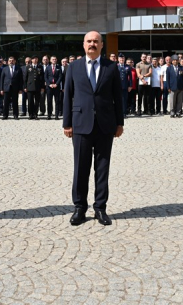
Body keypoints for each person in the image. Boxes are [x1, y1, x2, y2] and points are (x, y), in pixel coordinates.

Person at [63, 31, 124, 227]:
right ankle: (79, 208)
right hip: (80, 123)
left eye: (96, 41)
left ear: (102, 45)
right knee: (80, 168)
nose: (92, 44)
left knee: (102, 168)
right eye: (89, 41)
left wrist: (120, 123)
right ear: (83, 44)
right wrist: (67, 123)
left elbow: (118, 97)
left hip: (106, 125)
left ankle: (100, 208)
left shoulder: (111, 67)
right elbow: (68, 96)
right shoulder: (74, 67)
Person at [45, 55, 64, 120]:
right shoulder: (48, 67)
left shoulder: (59, 67)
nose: (54, 60)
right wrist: (49, 84)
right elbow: (46, 77)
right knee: (49, 101)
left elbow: (60, 76)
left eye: (55, 59)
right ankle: (49, 115)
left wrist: (56, 84)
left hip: (56, 87)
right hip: (49, 87)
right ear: (50, 60)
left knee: (57, 101)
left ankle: (56, 115)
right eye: (53, 59)